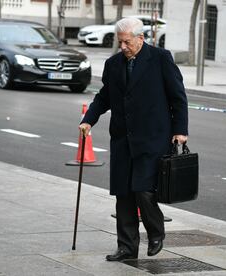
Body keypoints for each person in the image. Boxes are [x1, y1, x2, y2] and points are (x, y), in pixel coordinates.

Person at [79, 17, 188, 261]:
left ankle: (156, 231)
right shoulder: (113, 64)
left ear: (141, 38)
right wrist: (89, 119)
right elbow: (104, 96)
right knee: (124, 194)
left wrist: (180, 129)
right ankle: (127, 248)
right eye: (121, 43)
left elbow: (178, 97)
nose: (123, 47)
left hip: (153, 138)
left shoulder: (160, 59)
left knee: (144, 190)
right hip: (122, 139)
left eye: (127, 42)